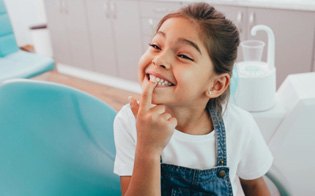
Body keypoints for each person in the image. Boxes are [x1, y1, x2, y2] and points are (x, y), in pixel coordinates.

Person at [113, 2, 273, 195]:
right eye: (156, 45)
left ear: (216, 85)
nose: (159, 60)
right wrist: (148, 149)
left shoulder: (240, 126)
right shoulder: (130, 121)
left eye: (183, 56)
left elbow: (255, 187)